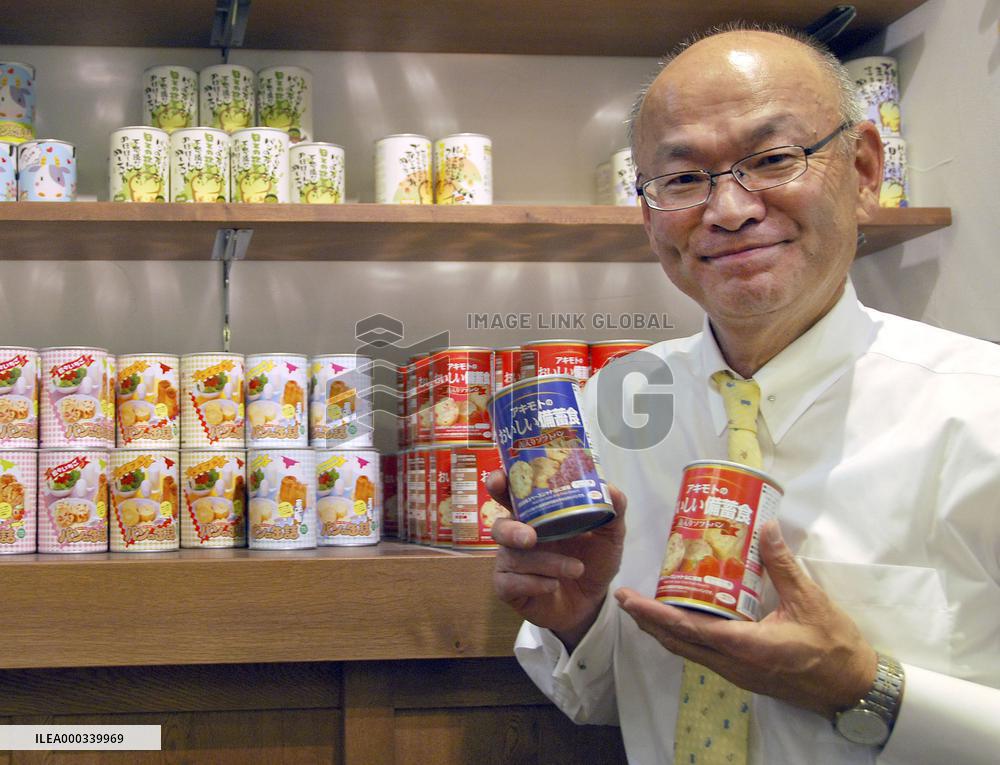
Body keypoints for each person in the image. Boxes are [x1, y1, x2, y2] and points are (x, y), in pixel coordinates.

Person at [489, 23, 1000, 765]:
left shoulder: (984, 409)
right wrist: (580, 619)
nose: (728, 209)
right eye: (682, 179)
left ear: (863, 170)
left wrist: (865, 687)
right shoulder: (613, 403)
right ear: (648, 214)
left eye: (773, 159)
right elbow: (605, 702)